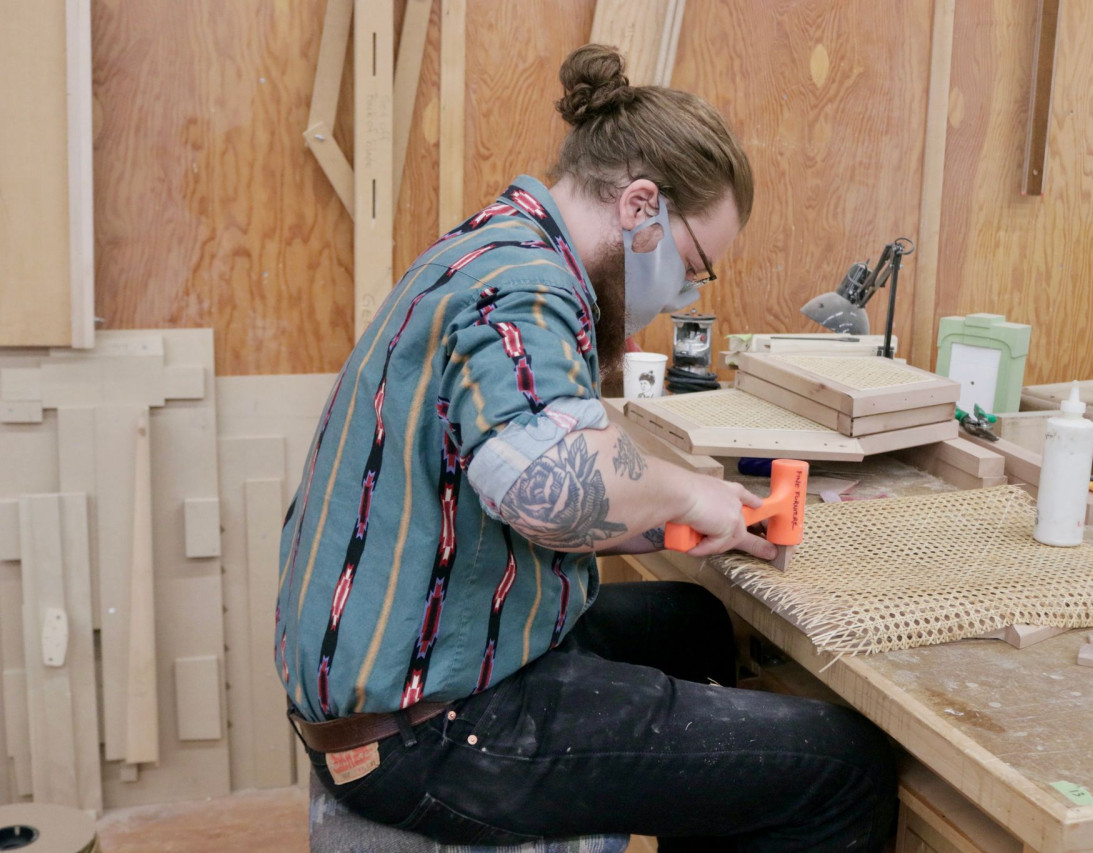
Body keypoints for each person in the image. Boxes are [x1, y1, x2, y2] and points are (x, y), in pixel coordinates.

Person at [276, 43, 897, 852]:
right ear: (641, 207)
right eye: (693, 267)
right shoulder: (526, 282)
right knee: (842, 766)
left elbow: (510, 487)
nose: (681, 296)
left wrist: (677, 522)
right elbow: (540, 478)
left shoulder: (496, 244)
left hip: (418, 663)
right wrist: (685, 492)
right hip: (423, 730)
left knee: (695, 623)